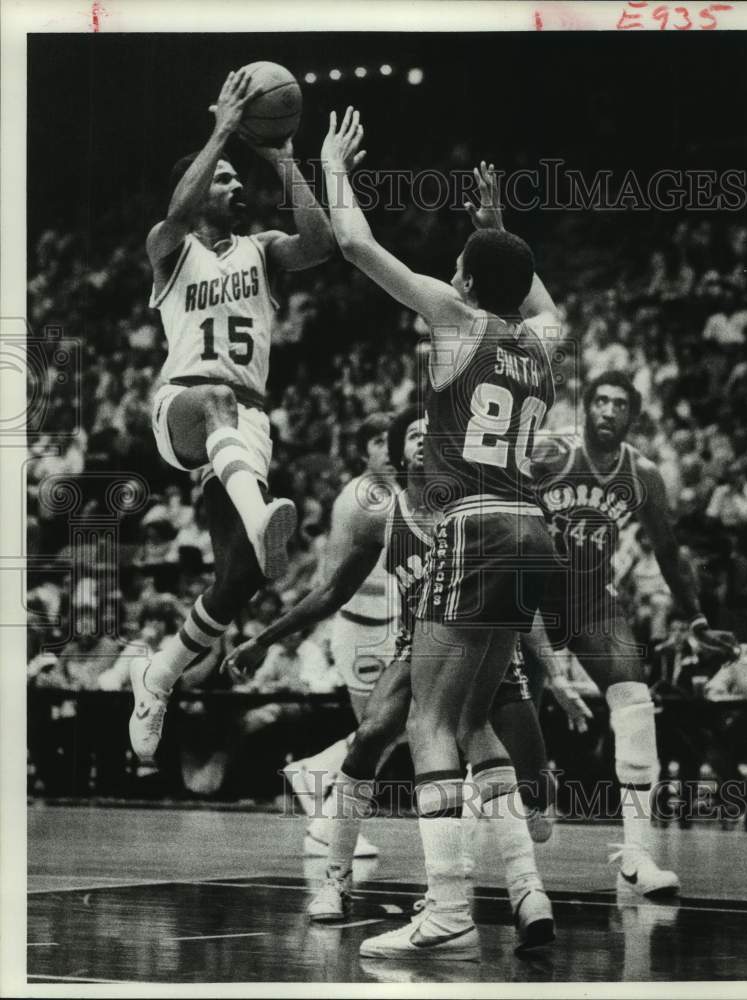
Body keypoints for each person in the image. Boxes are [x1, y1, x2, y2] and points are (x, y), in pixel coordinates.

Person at [321, 112, 560, 960]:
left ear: (462, 274)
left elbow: (354, 246)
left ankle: (449, 907)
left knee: (429, 720)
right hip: (534, 533)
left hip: (473, 525)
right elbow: (535, 288)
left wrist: (331, 165)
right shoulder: (544, 342)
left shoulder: (456, 317)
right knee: (475, 720)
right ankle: (527, 892)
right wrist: (495, 229)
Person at [226, 408, 588, 925]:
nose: (425, 440)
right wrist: (263, 639)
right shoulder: (382, 515)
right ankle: (337, 879)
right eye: (414, 435)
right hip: (420, 648)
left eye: (433, 432)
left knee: (537, 799)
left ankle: (519, 879)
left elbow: (520, 605)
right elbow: (330, 591)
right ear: (399, 454)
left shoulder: (472, 510)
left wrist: (552, 672)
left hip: (491, 651)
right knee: (371, 735)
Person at [129, 67, 344, 763]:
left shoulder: (261, 251)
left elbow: (320, 244)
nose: (235, 185)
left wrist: (285, 161)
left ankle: (158, 678)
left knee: (245, 576)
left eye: (234, 177)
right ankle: (260, 514)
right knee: (220, 409)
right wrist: (222, 129)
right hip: (185, 406)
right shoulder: (171, 250)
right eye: (222, 179)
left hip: (247, 425)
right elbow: (177, 211)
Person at [532, 369, 739, 894]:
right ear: (585, 408)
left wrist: (694, 621)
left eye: (619, 404)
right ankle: (477, 847)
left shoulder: (642, 475)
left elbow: (668, 553)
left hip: (590, 602)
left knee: (636, 703)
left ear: (633, 416)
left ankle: (636, 856)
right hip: (526, 599)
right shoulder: (548, 454)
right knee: (503, 726)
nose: (606, 411)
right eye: (599, 400)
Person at [281, 413, 399, 859]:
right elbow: (332, 577)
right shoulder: (359, 497)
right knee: (381, 731)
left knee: (391, 729)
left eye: (394, 441)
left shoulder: (399, 493)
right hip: (360, 630)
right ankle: (327, 820)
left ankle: (318, 781)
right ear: (363, 449)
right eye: (378, 441)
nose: (388, 450)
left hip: (385, 630)